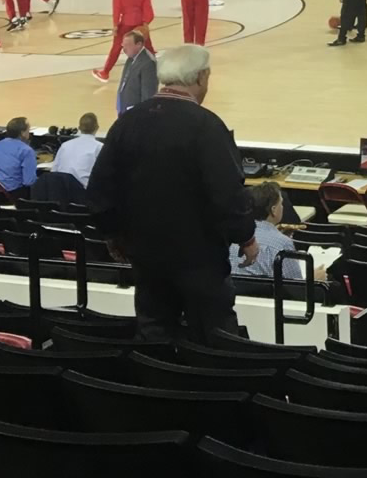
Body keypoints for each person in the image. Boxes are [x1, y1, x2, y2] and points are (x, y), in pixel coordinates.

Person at [89, 43, 256, 341]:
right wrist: (245, 236)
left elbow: (100, 188)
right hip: (199, 258)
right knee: (215, 338)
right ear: (202, 77)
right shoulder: (207, 126)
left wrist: (112, 233)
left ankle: (158, 384)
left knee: (154, 332)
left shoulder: (126, 122)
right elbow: (228, 193)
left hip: (146, 257)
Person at [238, 182, 315, 281]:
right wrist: (314, 277)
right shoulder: (282, 243)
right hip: (267, 295)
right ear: (273, 210)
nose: (283, 207)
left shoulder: (235, 235)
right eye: (281, 203)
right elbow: (296, 286)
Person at [93, 0, 154, 81]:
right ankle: (154, 71)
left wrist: (116, 25)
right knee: (148, 48)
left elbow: (117, 8)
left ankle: (105, 72)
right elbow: (148, 8)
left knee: (116, 48)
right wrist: (146, 22)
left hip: (126, 22)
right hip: (140, 22)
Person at [0, 117, 40, 195]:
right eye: (28, 129)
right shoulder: (26, 150)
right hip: (13, 193)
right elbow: (28, 182)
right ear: (22, 133)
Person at [49, 112, 103, 189]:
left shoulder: (65, 145)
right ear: (97, 128)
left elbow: (54, 171)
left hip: (60, 192)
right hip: (83, 194)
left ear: (79, 128)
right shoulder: (99, 147)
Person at [115, 29, 159, 114]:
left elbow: (148, 94)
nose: (124, 49)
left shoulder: (148, 63)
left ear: (139, 44)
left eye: (127, 45)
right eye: (123, 45)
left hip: (135, 112)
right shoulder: (131, 58)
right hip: (124, 108)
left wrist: (143, 114)